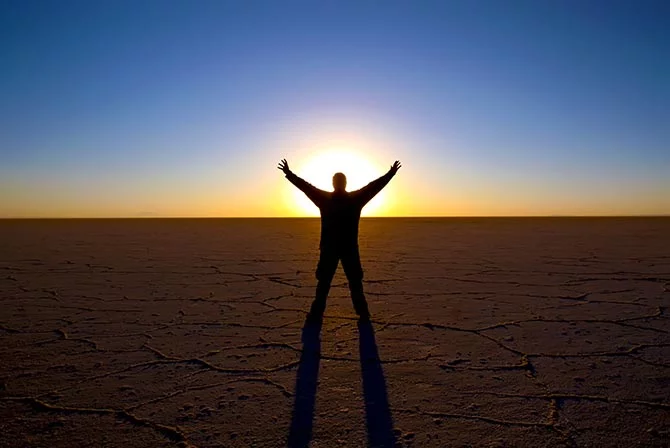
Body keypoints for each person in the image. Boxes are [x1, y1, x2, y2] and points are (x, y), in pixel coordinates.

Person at [278, 158, 401, 322]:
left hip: (332, 248)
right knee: (349, 282)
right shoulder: (354, 199)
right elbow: (374, 187)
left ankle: (320, 312)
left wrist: (289, 173)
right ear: (344, 183)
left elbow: (306, 188)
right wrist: (390, 173)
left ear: (334, 183)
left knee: (328, 282)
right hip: (347, 248)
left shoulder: (326, 199)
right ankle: (361, 313)